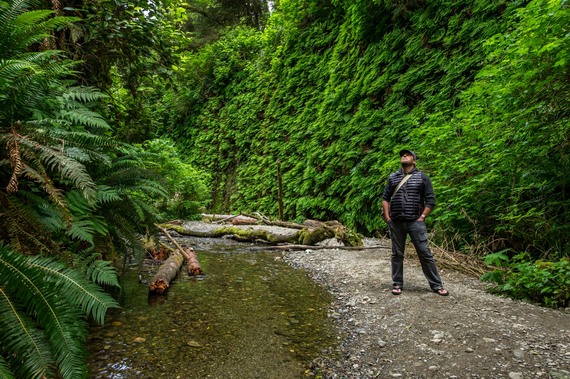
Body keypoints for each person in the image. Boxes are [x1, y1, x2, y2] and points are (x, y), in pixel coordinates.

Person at [381, 149, 449, 296]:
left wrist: (422, 216)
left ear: (414, 160)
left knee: (425, 253)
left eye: (408, 155)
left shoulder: (423, 178)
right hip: (396, 222)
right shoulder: (392, 178)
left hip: (415, 222)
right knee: (397, 254)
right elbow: (385, 198)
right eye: (402, 155)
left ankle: (436, 285)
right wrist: (387, 218)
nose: (404, 156)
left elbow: (430, 200)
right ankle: (397, 283)